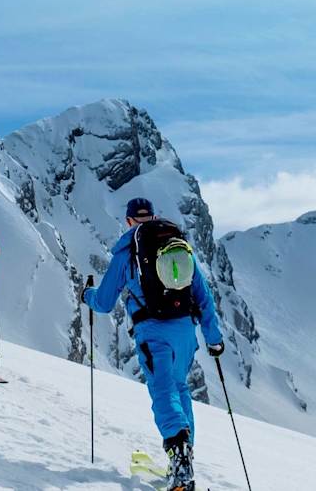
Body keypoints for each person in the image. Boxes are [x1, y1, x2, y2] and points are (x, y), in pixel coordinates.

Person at [83, 197, 224, 491]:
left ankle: (178, 455)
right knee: (180, 387)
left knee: (163, 390)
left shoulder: (128, 251)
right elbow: (203, 294)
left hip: (153, 330)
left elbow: (106, 301)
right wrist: (214, 339)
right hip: (186, 330)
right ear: (154, 216)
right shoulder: (177, 245)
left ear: (129, 220)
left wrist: (87, 295)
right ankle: (184, 459)